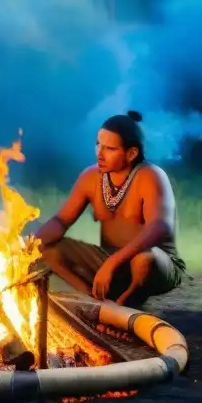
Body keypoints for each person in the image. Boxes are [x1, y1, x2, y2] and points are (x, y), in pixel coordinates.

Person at [32, 110, 186, 307]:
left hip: (155, 265)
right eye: (98, 145)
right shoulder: (90, 177)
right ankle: (90, 296)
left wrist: (111, 264)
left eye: (110, 149)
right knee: (47, 249)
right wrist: (33, 244)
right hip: (108, 260)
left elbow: (159, 227)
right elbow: (61, 221)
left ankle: (124, 304)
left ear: (131, 154)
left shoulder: (151, 176)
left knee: (142, 260)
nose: (100, 154)